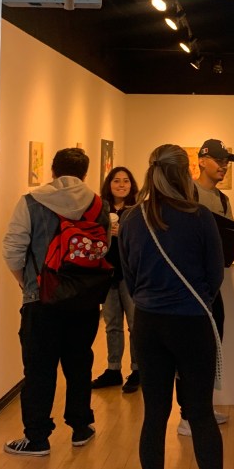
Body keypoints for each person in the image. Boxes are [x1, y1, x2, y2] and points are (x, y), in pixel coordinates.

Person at [119, 143, 226, 469]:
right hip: (191, 321)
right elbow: (214, 274)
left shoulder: (132, 218)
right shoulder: (199, 216)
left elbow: (128, 274)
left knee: (154, 413)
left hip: (148, 324)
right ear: (185, 173)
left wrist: (151, 298)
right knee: (199, 412)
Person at [1, 147, 109, 456]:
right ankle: (80, 427)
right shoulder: (98, 205)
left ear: (52, 170)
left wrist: (26, 282)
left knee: (39, 369)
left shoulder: (31, 202)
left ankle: (37, 438)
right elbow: (104, 248)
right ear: (84, 173)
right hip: (85, 299)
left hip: (41, 299)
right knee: (79, 363)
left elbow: (13, 249)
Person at [174, 137, 234, 435]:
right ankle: (187, 414)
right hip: (189, 286)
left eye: (226, 161)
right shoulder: (187, 194)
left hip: (212, 285)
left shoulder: (223, 200)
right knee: (189, 351)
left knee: (210, 347)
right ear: (202, 161)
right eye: (219, 160)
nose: (224, 166)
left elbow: (224, 237)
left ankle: (201, 407)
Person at [91, 166, 141, 393]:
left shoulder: (138, 210)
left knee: (135, 325)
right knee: (112, 325)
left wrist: (123, 233)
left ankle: (138, 369)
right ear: (109, 184)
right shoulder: (100, 209)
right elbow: (90, 238)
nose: (121, 185)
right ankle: (113, 369)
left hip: (131, 276)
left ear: (132, 185)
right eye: (116, 181)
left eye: (126, 181)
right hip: (107, 274)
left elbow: (144, 240)